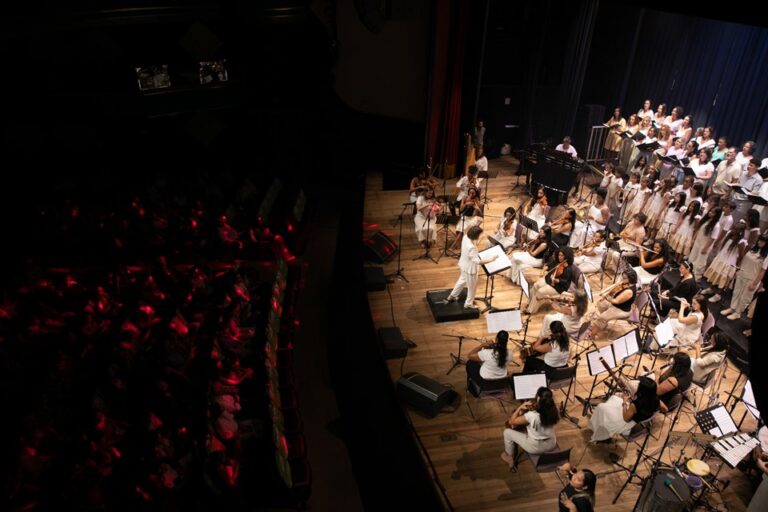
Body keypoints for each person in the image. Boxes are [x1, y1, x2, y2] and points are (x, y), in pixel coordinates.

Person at [500, 387, 559, 471]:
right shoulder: (555, 410)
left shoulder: (533, 415)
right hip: (551, 444)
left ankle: (509, 456)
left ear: (538, 398)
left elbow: (511, 421)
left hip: (535, 448)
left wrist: (520, 407)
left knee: (507, 432)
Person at [588, 376, 659, 443]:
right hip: (638, 417)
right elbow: (663, 409)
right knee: (614, 398)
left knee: (602, 407)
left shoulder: (636, 405)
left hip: (628, 422)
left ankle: (601, 432)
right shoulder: (655, 399)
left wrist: (625, 402)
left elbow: (625, 418)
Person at [445, 226, 498, 309]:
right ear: (475, 235)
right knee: (472, 288)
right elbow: (478, 261)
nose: (481, 235)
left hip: (463, 265)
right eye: (480, 234)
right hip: (470, 269)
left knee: (461, 281)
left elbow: (474, 244)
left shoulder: (466, 237)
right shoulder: (472, 248)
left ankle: (452, 296)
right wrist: (491, 259)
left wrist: (481, 238)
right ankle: (468, 304)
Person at [721, 234, 768, 320]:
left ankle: (738, 313)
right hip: (742, 273)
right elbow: (744, 259)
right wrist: (738, 270)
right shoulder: (753, 249)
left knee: (744, 297)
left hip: (752, 279)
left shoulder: (766, 256)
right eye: (759, 240)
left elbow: (763, 271)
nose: (759, 242)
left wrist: (755, 283)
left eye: (762, 241)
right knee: (736, 292)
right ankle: (732, 308)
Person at [588, 269, 638, 336]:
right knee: (601, 304)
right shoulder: (626, 284)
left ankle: (592, 335)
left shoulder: (629, 291)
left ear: (631, 279)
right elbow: (615, 292)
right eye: (622, 277)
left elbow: (616, 301)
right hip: (617, 305)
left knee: (602, 317)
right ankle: (602, 324)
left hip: (622, 310)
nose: (622, 279)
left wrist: (606, 296)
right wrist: (609, 291)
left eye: (624, 278)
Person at [526, 248, 575, 314]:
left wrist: (558, 280)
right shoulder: (558, 261)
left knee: (540, 291)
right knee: (535, 285)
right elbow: (548, 265)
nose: (559, 257)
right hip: (549, 280)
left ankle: (530, 310)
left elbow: (565, 282)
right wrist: (543, 271)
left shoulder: (569, 268)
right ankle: (530, 303)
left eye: (562, 256)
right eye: (559, 255)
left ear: (567, 256)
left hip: (558, 287)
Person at [689, 207, 723, 280]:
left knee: (700, 262)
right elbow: (699, 229)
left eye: (713, 212)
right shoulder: (706, 220)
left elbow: (713, 238)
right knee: (693, 257)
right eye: (710, 211)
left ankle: (696, 278)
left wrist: (705, 248)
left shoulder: (716, 225)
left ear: (717, 215)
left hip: (705, 245)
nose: (710, 213)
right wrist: (693, 238)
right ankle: (689, 273)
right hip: (698, 241)